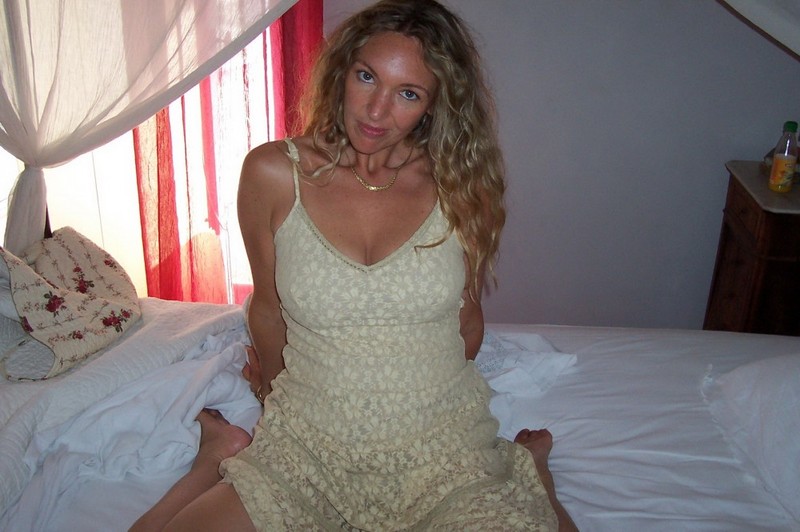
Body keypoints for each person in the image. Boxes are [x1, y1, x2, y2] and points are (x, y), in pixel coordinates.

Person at [130, 0, 577, 530]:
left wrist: (407, 397)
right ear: (343, 71)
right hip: (308, 452)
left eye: (408, 93)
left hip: (443, 456)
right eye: (367, 77)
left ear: (434, 106)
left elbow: (466, 319)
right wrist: (274, 398)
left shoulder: (460, 183)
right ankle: (215, 457)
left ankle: (531, 472)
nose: (376, 111)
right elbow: (269, 310)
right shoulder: (274, 173)